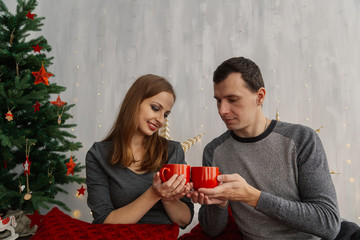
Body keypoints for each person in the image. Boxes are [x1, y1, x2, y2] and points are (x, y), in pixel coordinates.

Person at [188, 57, 341, 239]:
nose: (222, 110)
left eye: (232, 99)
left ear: (259, 96)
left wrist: (252, 196)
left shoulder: (301, 139)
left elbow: (329, 223)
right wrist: (219, 204)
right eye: (218, 101)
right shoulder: (214, 151)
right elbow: (213, 230)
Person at [86, 74, 194, 229]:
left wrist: (167, 197)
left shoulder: (172, 151)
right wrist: (154, 194)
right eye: (155, 108)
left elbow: (184, 219)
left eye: (165, 114)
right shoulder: (98, 155)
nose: (161, 120)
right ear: (134, 102)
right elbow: (103, 222)